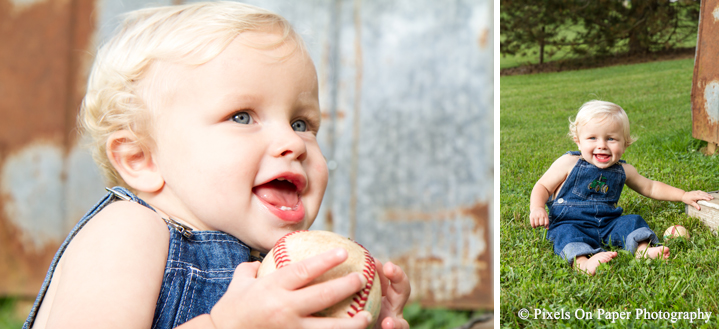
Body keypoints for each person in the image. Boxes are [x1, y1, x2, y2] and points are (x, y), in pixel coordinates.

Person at [23, 2, 410, 328]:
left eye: (301, 123)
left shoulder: (267, 270)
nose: (293, 142)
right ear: (141, 160)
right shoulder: (128, 232)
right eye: (242, 117)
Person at [529, 100, 713, 275]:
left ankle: (642, 250)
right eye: (592, 138)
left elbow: (651, 187)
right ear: (578, 141)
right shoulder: (568, 163)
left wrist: (683, 195)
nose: (601, 145)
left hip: (608, 223)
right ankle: (583, 263)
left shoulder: (624, 170)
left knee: (632, 221)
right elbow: (543, 186)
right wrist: (537, 207)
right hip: (570, 222)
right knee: (566, 234)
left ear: (625, 144)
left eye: (611, 139)